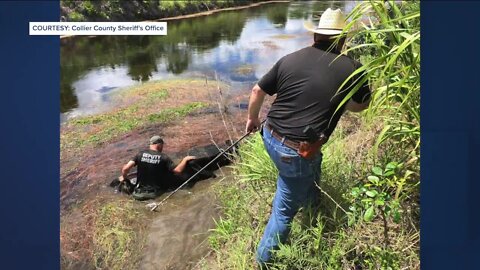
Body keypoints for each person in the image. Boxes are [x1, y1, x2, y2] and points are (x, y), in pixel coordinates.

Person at [245, 8, 372, 267]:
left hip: (269, 135)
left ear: (316, 35)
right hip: (296, 151)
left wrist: (252, 120)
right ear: (343, 39)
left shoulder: (290, 59)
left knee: (310, 165)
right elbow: (362, 106)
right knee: (284, 209)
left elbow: (257, 90)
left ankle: (314, 207)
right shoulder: (354, 69)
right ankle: (263, 261)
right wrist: (340, 99)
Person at [120, 135, 196, 200]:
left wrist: (124, 178)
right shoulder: (164, 157)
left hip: (137, 194)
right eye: (162, 145)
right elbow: (177, 171)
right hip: (154, 194)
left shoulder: (140, 154)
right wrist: (184, 160)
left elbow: (125, 169)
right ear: (159, 145)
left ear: (151, 144)